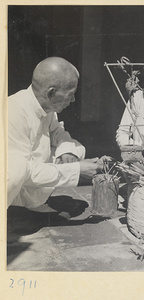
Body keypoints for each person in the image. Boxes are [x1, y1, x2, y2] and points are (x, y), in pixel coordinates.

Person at [8, 57, 109, 213]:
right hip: (13, 188)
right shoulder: (13, 112)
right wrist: (77, 170)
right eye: (70, 94)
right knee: (17, 172)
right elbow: (22, 172)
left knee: (75, 148)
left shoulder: (45, 105)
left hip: (31, 184)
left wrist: (67, 152)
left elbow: (57, 132)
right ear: (51, 92)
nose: (74, 99)